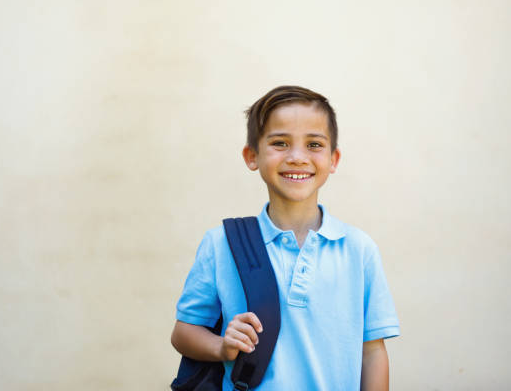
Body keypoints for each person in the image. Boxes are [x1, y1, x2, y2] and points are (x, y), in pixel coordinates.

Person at [170, 85, 400, 390]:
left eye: (314, 144)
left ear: (334, 159)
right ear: (252, 156)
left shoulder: (359, 250)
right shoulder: (221, 244)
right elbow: (184, 333)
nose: (297, 157)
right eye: (280, 142)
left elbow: (372, 354)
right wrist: (221, 347)